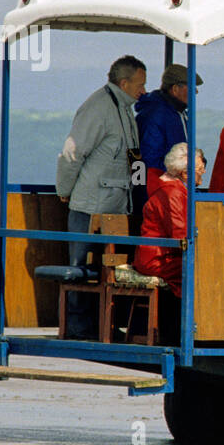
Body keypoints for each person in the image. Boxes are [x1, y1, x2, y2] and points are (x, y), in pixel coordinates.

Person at [56, 54, 147, 339]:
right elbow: (72, 153)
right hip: (89, 207)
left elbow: (135, 158)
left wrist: (139, 192)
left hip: (117, 209)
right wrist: (65, 192)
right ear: (124, 82)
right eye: (140, 84)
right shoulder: (98, 108)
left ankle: (102, 327)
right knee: (81, 268)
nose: (144, 90)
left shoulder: (125, 111)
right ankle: (78, 328)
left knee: (109, 270)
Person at [133, 143, 204, 344]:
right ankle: (184, 333)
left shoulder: (176, 190)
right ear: (184, 174)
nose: (204, 172)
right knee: (199, 272)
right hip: (158, 257)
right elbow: (179, 233)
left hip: (167, 253)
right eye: (199, 169)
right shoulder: (172, 193)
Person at [135, 63, 203, 197]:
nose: (196, 92)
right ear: (175, 89)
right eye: (191, 87)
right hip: (159, 192)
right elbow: (150, 160)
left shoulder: (178, 114)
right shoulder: (156, 116)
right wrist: (183, 170)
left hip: (172, 188)